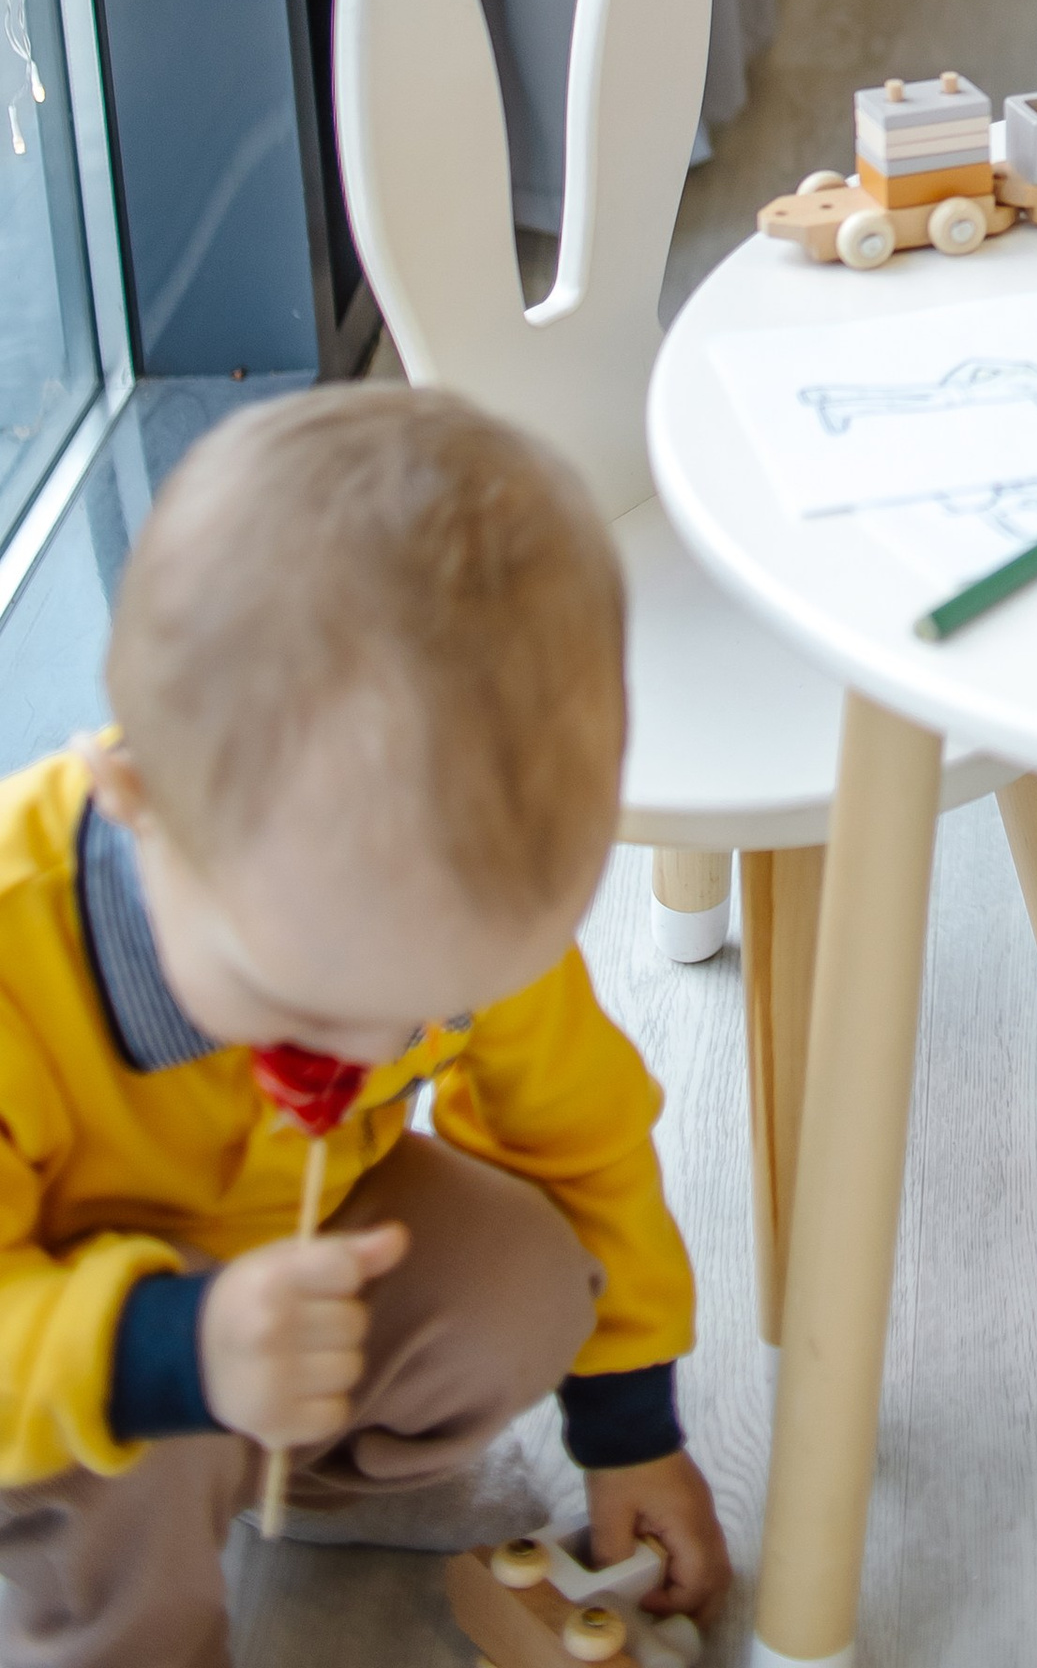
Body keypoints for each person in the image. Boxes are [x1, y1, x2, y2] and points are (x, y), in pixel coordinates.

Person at [0, 387, 727, 1668]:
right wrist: (172, 1348)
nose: (369, 1050)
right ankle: (126, 1625)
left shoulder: (423, 922)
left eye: (429, 1012)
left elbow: (587, 1141)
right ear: (135, 802)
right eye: (307, 1008)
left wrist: (632, 1425)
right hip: (58, 1353)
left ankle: (299, 1477)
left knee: (529, 1277)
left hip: (273, 1263)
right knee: (142, 1450)